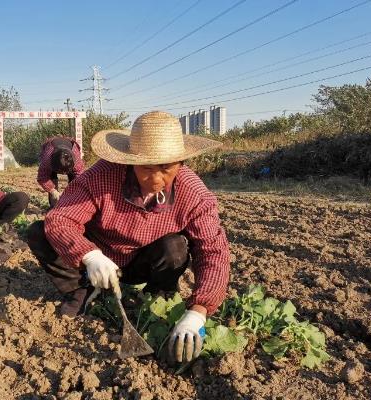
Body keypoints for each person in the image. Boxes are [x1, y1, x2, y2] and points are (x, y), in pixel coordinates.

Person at [28, 111, 230, 364]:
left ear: (180, 162)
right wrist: (88, 255)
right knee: (39, 232)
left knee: (175, 246)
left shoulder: (193, 194)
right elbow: (60, 219)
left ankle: (160, 293)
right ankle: (81, 289)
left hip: (145, 262)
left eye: (166, 169)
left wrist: (199, 312)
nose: (156, 179)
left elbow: (213, 251)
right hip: (100, 258)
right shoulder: (102, 176)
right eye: (146, 168)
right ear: (130, 161)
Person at [36, 136, 84, 208]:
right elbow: (42, 177)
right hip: (52, 151)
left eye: (65, 172)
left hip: (70, 154)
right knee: (52, 178)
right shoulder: (47, 159)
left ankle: (72, 205)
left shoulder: (76, 160)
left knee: (74, 180)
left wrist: (72, 192)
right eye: (61, 171)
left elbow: (80, 177)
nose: (63, 174)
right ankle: (54, 206)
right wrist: (52, 191)